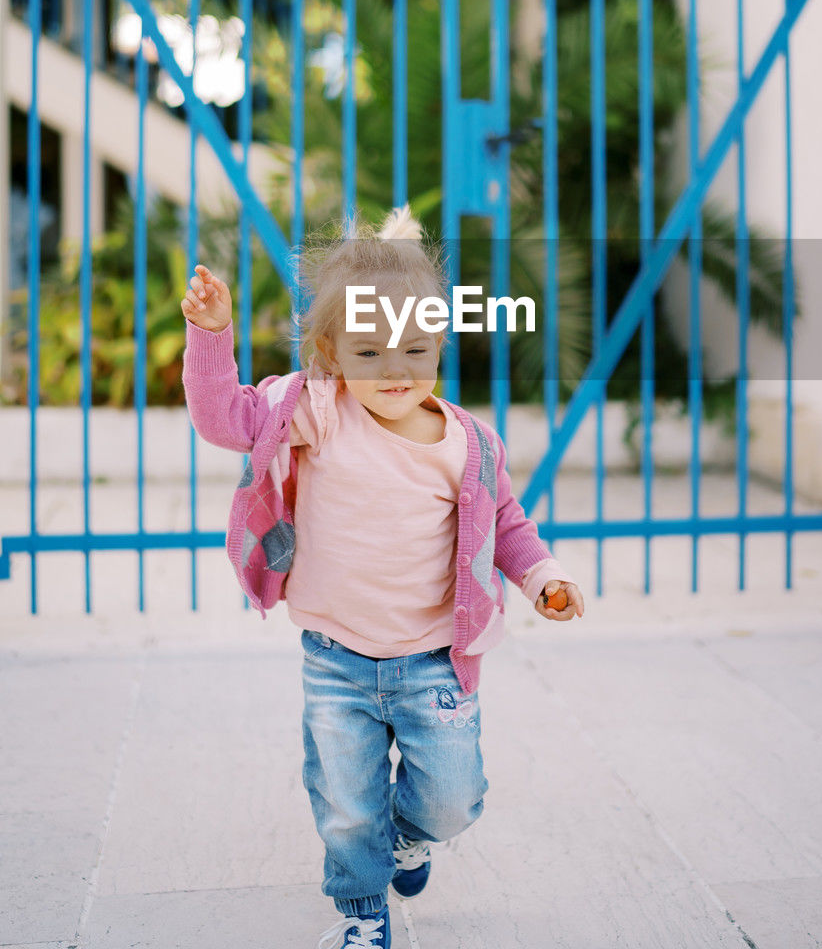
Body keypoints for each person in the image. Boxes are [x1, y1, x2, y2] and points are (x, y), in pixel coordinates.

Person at [180, 203, 584, 949]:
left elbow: (509, 525)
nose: (393, 372)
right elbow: (224, 420)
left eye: (413, 351)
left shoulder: (467, 442)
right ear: (330, 352)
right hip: (335, 657)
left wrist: (542, 578)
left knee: (454, 799)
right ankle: (363, 911)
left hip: (433, 660)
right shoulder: (319, 413)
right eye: (368, 354)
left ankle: (410, 837)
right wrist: (211, 336)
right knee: (344, 802)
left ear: (437, 343)